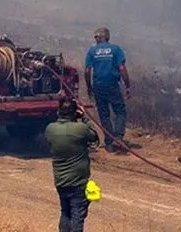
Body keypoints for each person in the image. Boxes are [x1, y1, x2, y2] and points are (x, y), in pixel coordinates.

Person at [45, 98, 99, 232]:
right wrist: (85, 118)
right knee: (78, 216)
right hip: (78, 182)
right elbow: (94, 137)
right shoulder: (80, 128)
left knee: (65, 212)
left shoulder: (50, 129)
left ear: (59, 112)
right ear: (75, 113)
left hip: (60, 181)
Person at [84, 27, 130, 153]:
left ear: (101, 37)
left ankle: (109, 142)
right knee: (120, 111)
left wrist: (89, 87)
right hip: (113, 85)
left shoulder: (92, 51)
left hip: (98, 86)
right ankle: (119, 137)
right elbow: (122, 68)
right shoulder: (116, 49)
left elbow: (87, 71)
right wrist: (128, 85)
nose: (95, 39)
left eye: (96, 37)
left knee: (104, 114)